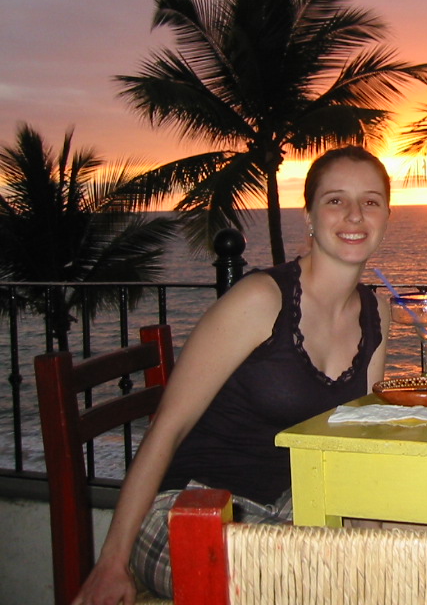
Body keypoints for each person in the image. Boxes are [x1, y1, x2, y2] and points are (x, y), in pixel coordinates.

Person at [73, 146, 393, 605]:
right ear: (309, 214)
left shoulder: (377, 312)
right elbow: (168, 426)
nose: (355, 215)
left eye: (371, 201)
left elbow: (353, 440)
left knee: (416, 544)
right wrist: (112, 561)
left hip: (288, 508)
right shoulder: (260, 300)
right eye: (336, 200)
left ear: (386, 216)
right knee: (333, 584)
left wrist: (375, 522)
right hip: (189, 513)